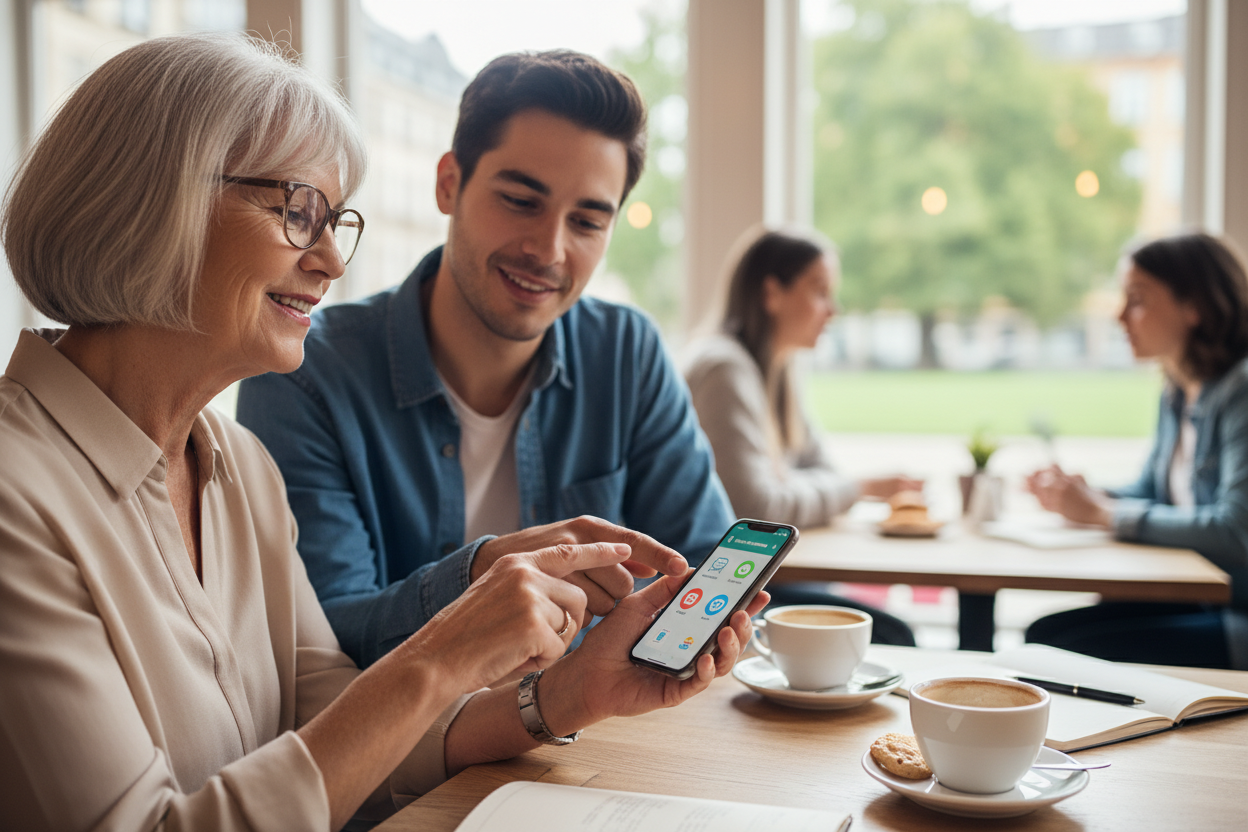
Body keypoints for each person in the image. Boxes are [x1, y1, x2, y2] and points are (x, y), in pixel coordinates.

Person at [0, 34, 763, 832]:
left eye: (334, 221)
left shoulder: (238, 467)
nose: (331, 260)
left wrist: (570, 695)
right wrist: (446, 650)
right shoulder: (17, 492)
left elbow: (330, 712)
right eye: (297, 212)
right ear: (152, 200)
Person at [236, 50, 738, 668]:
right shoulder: (306, 367)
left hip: (588, 732)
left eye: (585, 221)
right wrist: (485, 574)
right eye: (522, 201)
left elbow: (708, 573)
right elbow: (322, 635)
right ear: (449, 183)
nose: (548, 250)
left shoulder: (626, 354)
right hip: (411, 758)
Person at [682, 226, 921, 645]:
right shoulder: (724, 369)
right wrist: (860, 488)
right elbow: (758, 513)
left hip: (751, 581)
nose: (833, 309)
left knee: (868, 621)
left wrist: (793, 485)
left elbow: (819, 468)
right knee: (890, 635)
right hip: (713, 597)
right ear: (772, 293)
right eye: (820, 291)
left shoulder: (776, 371)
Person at [1024, 233, 1248, 670]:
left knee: (1050, 654)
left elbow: (1236, 531)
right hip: (1204, 602)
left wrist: (1104, 513)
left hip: (1236, 618)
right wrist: (1082, 495)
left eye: (1137, 299)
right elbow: (1153, 491)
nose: (1120, 315)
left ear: (1195, 306)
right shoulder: (1179, 390)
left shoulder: (1241, 391)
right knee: (1042, 639)